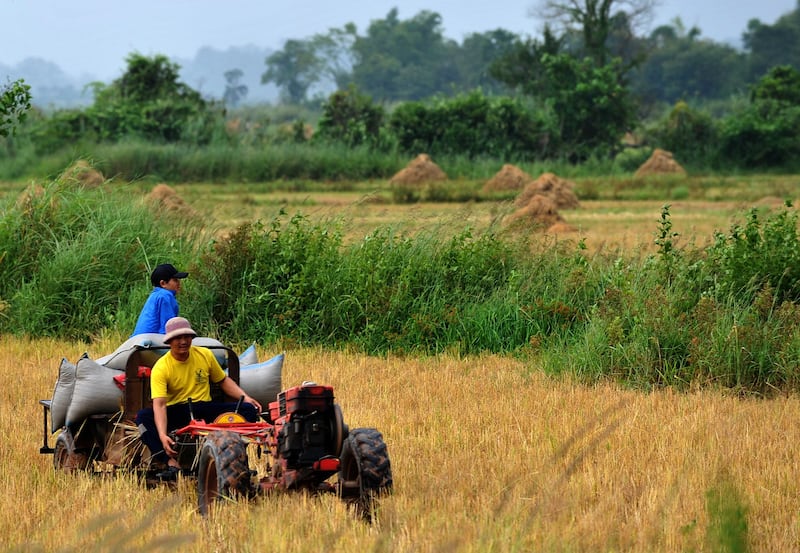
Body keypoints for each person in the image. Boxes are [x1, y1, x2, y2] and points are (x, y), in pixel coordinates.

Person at [135, 316, 262, 480]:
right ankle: (169, 462)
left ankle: (236, 459)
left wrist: (245, 397)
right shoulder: (161, 367)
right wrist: (162, 434)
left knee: (248, 410)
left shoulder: (205, 355)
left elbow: (222, 380)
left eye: (186, 337)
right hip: (178, 411)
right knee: (143, 418)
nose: (183, 342)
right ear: (169, 342)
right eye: (178, 338)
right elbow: (159, 405)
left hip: (204, 409)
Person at [131, 263, 188, 336]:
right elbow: (168, 328)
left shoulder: (155, 295)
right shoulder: (165, 296)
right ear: (163, 283)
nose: (179, 283)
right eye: (175, 280)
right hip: (150, 343)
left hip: (137, 340)